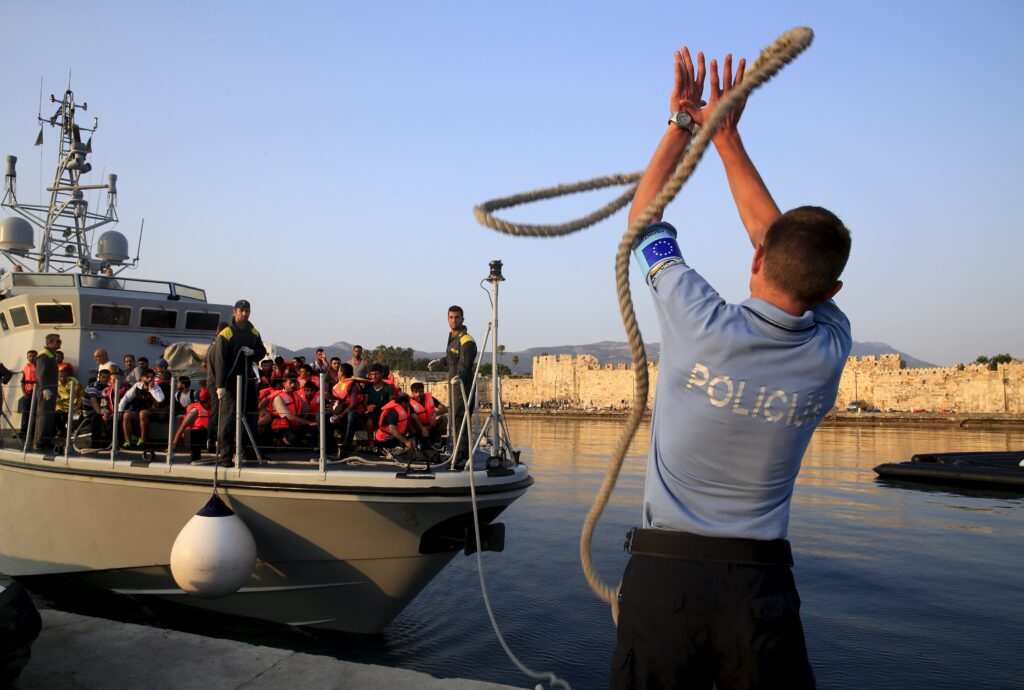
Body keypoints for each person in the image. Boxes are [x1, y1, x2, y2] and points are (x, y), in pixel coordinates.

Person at [609, 48, 852, 690]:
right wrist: (728, 140)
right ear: (834, 291)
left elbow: (644, 219)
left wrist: (692, 125)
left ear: (755, 259)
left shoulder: (698, 320)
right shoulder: (830, 346)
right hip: (762, 588)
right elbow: (784, 249)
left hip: (665, 580)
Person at [213, 300, 267, 461]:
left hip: (248, 378)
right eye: (242, 311)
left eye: (247, 311)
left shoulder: (254, 332)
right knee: (228, 418)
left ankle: (247, 451)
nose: (245, 314)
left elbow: (262, 351)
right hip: (230, 381)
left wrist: (253, 353)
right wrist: (220, 385)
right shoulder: (226, 333)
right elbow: (220, 361)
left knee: (251, 415)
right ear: (235, 311)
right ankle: (225, 456)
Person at [428, 305, 477, 460]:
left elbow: (465, 364)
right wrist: (441, 361)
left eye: (456, 317)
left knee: (460, 417)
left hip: (462, 385)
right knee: (454, 417)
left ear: (462, 319)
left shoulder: (466, 340)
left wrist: (459, 377)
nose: (453, 320)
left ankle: (462, 455)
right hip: (453, 383)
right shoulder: (452, 337)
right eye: (451, 317)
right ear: (447, 319)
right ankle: (456, 450)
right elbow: (453, 358)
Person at [117, 368, 165, 447]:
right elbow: (125, 398)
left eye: (152, 377)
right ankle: (128, 441)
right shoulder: (137, 386)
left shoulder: (156, 387)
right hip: (139, 411)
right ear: (142, 378)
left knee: (143, 413)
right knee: (127, 415)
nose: (150, 379)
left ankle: (143, 440)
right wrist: (120, 410)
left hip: (153, 412)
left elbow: (160, 399)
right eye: (147, 377)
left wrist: (151, 389)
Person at [269, 376, 316, 446]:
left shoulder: (296, 395)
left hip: (295, 425)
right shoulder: (278, 398)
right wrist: (307, 422)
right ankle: (279, 438)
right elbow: (289, 417)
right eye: (290, 383)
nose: (293, 385)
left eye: (294, 382)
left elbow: (307, 408)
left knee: (315, 430)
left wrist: (303, 422)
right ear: (284, 384)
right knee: (294, 439)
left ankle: (299, 441)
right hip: (281, 426)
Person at [33, 334, 61, 450]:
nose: (60, 343)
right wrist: (45, 388)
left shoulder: (51, 355)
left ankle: (46, 440)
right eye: (58, 341)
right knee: (43, 415)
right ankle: (40, 442)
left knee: (49, 415)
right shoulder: (44, 356)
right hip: (46, 390)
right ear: (50, 342)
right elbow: (41, 373)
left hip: (51, 389)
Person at [330, 362, 365, 452]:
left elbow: (353, 405)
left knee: (351, 413)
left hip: (356, 418)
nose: (337, 372)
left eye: (338, 371)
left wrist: (340, 415)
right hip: (340, 416)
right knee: (322, 415)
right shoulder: (337, 385)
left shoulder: (352, 385)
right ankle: (326, 445)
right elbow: (332, 374)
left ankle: (347, 443)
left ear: (341, 372)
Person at [172, 387, 212, 460]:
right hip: (196, 438)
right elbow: (182, 427)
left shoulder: (214, 409)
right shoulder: (195, 411)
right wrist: (174, 446)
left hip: (209, 437)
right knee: (196, 434)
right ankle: (195, 458)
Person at [362, 363, 396, 439]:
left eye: (376, 374)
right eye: (372, 374)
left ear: (382, 373)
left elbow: (392, 402)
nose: (374, 376)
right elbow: (365, 402)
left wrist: (384, 409)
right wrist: (367, 406)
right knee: (369, 421)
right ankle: (370, 442)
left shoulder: (388, 387)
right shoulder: (368, 386)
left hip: (383, 412)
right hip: (371, 412)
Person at [84, 369, 115, 447]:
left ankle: (107, 443)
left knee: (112, 419)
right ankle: (94, 443)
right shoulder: (93, 386)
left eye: (107, 378)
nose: (105, 379)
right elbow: (93, 401)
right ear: (99, 377)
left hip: (103, 410)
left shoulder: (109, 387)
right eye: (103, 377)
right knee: (97, 418)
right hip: (90, 412)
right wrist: (101, 413)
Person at [55, 366, 84, 438]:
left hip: (72, 406)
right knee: (54, 415)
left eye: (64, 376)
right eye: (60, 376)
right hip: (59, 406)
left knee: (66, 417)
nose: (62, 378)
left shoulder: (74, 382)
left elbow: (79, 396)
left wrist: (76, 407)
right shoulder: (55, 384)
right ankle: (62, 432)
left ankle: (63, 433)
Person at [18, 349, 37, 440]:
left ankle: (32, 432)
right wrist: (24, 393)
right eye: (30, 356)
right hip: (27, 393)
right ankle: (23, 431)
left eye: (33, 356)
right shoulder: (25, 367)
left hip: (36, 393)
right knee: (25, 412)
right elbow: (22, 382)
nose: (31, 357)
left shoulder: (39, 367)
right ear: (27, 357)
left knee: (34, 413)